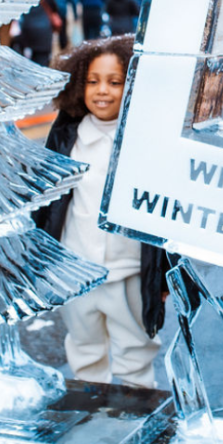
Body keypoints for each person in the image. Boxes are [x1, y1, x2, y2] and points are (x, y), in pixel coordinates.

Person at [33, 35, 169, 388]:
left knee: (135, 352)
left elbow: (169, 211)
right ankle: (87, 413)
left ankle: (136, 415)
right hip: (76, 270)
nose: (102, 91)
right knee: (84, 349)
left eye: (115, 81)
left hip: (129, 272)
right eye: (92, 81)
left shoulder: (146, 140)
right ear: (79, 85)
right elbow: (46, 203)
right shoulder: (68, 138)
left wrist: (165, 276)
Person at [15, 0, 61, 67]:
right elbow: (54, 8)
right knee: (42, 60)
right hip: (44, 30)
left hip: (27, 28)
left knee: (28, 62)